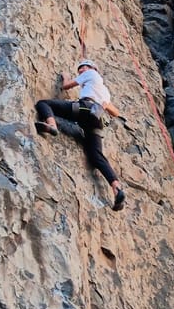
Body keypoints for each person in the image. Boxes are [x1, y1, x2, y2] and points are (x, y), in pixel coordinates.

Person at [34, 60, 126, 211]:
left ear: (93, 69)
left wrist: (65, 76)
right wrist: (104, 105)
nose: (81, 70)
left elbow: (66, 86)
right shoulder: (104, 90)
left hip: (85, 108)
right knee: (96, 155)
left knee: (44, 103)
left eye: (84, 67)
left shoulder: (91, 74)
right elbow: (116, 112)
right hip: (98, 118)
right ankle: (116, 188)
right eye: (80, 69)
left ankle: (52, 125)